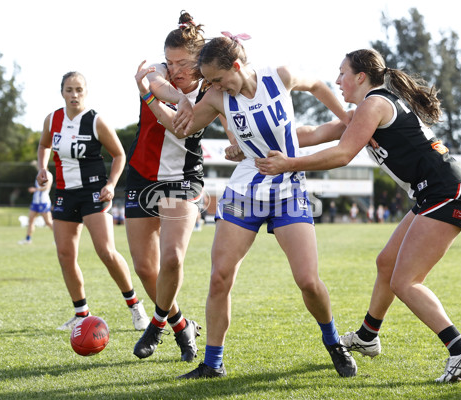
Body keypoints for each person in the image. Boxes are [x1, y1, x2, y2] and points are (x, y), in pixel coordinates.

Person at [135, 33, 357, 379]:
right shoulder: (217, 96)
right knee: (220, 276)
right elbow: (180, 128)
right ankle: (213, 363)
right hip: (244, 194)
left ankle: (333, 342)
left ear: (237, 66)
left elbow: (316, 86)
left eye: (218, 79)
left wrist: (348, 119)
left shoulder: (278, 75)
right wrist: (149, 94)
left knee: (308, 281)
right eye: (209, 81)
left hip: (288, 190)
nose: (214, 86)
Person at [255, 49, 461, 383]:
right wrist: (254, 145)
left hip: (443, 191)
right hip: (433, 191)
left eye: (342, 73)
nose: (337, 81)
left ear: (360, 76)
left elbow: (343, 154)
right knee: (386, 263)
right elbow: (313, 133)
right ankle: (367, 335)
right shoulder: (369, 108)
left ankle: (459, 347)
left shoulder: (374, 105)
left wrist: (288, 164)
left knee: (405, 282)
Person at [126, 11, 225, 363]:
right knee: (144, 267)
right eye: (169, 61)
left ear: (200, 60)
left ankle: (156, 326)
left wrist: (235, 141)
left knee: (171, 258)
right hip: (141, 175)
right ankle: (181, 324)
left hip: (182, 180)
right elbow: (157, 84)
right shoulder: (158, 70)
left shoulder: (212, 88)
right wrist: (176, 95)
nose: (174, 69)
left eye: (182, 63)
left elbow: (180, 127)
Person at [37, 71, 150, 331]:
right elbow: (44, 146)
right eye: (69, 90)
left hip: (93, 193)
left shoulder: (96, 121)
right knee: (65, 255)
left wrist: (110, 185)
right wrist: (42, 168)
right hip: (65, 193)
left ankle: (135, 306)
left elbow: (119, 155)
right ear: (62, 92)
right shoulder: (52, 119)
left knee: (106, 252)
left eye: (78, 89)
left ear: (85, 92)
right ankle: (81, 313)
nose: (74, 94)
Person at [19, 171, 54, 244]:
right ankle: (28, 239)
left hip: (43, 201)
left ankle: (59, 239)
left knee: (48, 222)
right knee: (30, 220)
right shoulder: (39, 173)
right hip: (35, 201)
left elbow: (47, 187)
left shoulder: (48, 175)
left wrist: (35, 189)